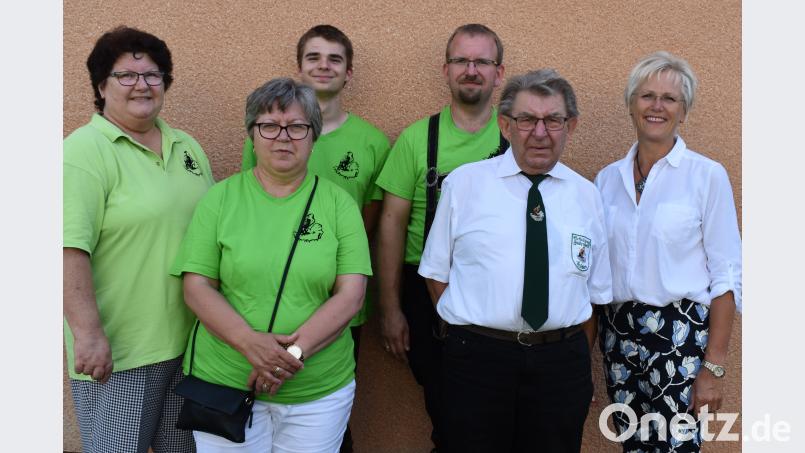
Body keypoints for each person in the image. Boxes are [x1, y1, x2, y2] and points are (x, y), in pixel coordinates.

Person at [171, 78, 372, 452]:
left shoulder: (339, 204)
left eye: (297, 126)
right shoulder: (219, 200)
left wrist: (286, 358)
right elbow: (196, 288)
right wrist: (252, 346)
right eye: (269, 125)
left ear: (314, 136)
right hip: (225, 384)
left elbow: (351, 294)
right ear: (252, 134)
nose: (283, 137)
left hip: (317, 393)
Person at [418, 69, 612, 453]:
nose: (540, 132)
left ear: (570, 126)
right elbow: (436, 273)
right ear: (505, 125)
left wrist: (567, 354)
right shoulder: (464, 185)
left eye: (553, 120)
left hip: (560, 366)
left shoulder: (587, 196)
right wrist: (468, 333)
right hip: (477, 362)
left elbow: (593, 294)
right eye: (526, 120)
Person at [63, 26, 214, 453]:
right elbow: (67, 249)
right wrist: (88, 335)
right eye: (126, 76)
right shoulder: (83, 152)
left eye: (152, 74)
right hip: (121, 354)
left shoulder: (186, 146)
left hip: (189, 348)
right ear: (100, 85)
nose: (142, 85)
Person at [240, 26, 390, 452]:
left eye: (335, 59)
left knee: (330, 411)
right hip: (268, 301)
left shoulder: (373, 142)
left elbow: (368, 222)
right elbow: (251, 208)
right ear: (299, 67)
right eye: (314, 57)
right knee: (264, 409)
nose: (324, 65)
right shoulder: (265, 135)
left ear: (349, 73)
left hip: (338, 303)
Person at [595, 51, 742, 452]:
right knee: (633, 447)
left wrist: (713, 367)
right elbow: (595, 273)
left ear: (684, 111)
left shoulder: (706, 176)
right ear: (631, 104)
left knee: (676, 448)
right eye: (647, 96)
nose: (656, 106)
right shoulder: (606, 180)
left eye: (669, 98)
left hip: (679, 340)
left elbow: (726, 274)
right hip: (618, 337)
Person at [375, 23, 507, 451]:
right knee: (449, 411)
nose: (471, 70)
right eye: (461, 61)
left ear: (498, 73)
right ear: (446, 70)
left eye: (481, 62)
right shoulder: (417, 139)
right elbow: (391, 224)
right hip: (423, 291)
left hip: (497, 293)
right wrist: (391, 308)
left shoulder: (516, 140)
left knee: (495, 411)